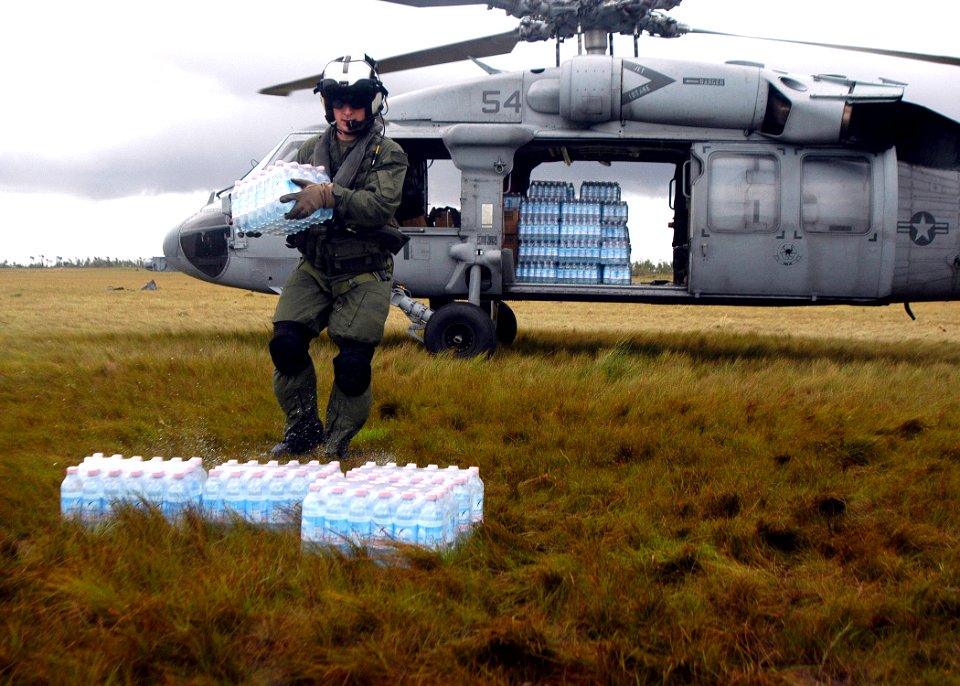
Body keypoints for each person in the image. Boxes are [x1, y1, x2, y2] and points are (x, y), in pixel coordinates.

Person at [269, 54, 408, 458]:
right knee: (286, 345)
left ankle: (335, 443)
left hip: (365, 271)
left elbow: (379, 207)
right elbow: (290, 197)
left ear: (374, 103)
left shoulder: (389, 153)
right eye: (339, 103)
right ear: (328, 105)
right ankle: (302, 431)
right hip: (316, 267)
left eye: (357, 102)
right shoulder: (313, 148)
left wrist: (329, 194)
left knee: (352, 366)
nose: (348, 112)